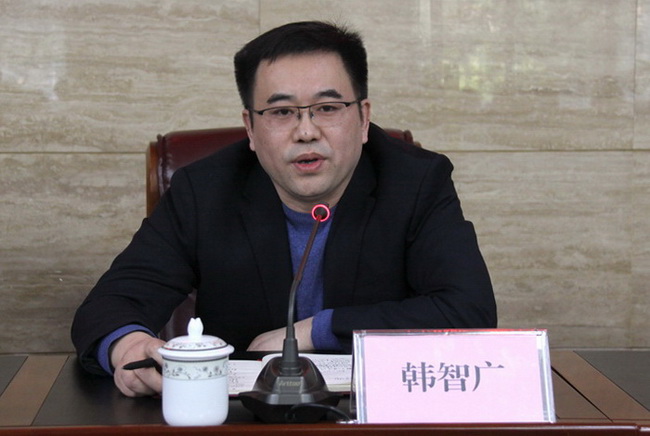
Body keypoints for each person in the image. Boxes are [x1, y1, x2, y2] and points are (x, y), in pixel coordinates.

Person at [72, 21, 497, 397]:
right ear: (250, 128)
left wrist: (314, 331)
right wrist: (128, 347)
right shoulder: (204, 191)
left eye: (328, 108)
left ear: (364, 118)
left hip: (374, 412)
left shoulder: (415, 182)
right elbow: (110, 304)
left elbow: (468, 311)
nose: (306, 131)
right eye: (281, 112)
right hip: (243, 420)